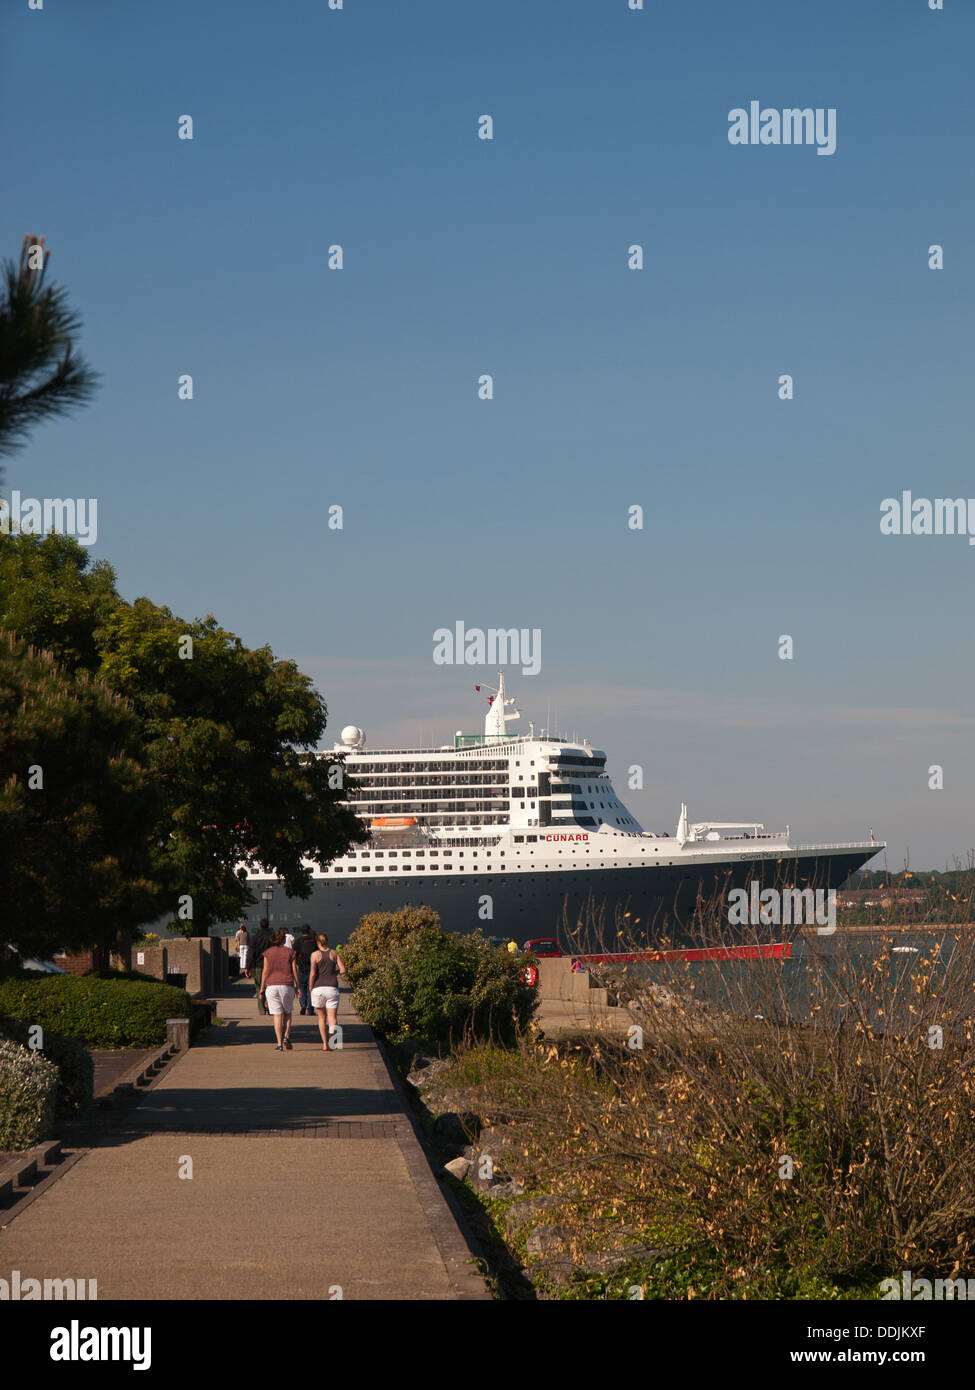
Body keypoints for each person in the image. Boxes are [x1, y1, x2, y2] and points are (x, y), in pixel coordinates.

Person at [259, 929, 299, 1050]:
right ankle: (286, 1036)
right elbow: (294, 970)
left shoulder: (267, 953)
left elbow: (265, 972)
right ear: (283, 939)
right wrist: (298, 986)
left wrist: (261, 989)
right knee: (287, 1013)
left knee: (277, 1015)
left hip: (272, 986)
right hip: (287, 984)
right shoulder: (291, 952)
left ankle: (279, 1044)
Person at [309, 933, 345, 1052]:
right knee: (332, 1017)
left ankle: (325, 1044)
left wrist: (310, 987)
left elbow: (313, 973)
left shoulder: (315, 955)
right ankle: (333, 1040)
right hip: (332, 988)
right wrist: (335, 973)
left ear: (318, 942)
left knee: (321, 1017)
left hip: (318, 988)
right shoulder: (334, 953)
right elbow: (343, 970)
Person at [252, 918, 272, 1013]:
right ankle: (268, 1003)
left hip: (259, 965)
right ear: (268, 925)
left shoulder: (255, 937)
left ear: (260, 925)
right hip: (271, 965)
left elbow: (252, 953)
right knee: (269, 986)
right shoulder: (272, 936)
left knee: (259, 986)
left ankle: (261, 1009)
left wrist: (249, 967)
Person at [296, 925, 315, 1014]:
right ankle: (310, 1008)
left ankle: (303, 1004)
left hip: (301, 967)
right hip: (312, 967)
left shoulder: (298, 941)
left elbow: (294, 954)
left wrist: (297, 962)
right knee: (311, 988)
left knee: (302, 987)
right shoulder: (313, 941)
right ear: (309, 930)